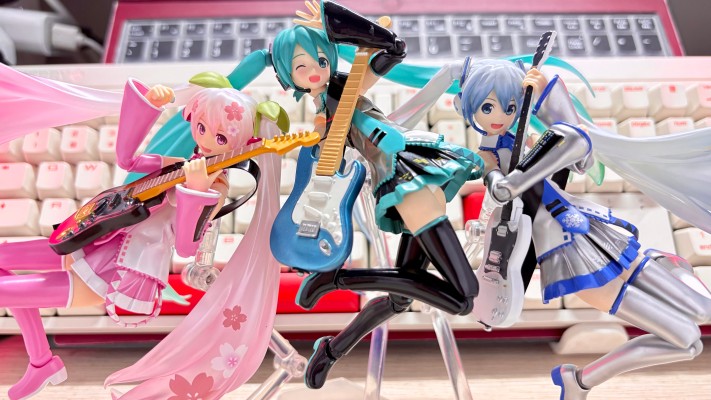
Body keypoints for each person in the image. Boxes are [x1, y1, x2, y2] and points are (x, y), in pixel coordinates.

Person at [421, 56, 711, 399]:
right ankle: (580, 381)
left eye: (510, 106)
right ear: (463, 107)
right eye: (487, 107)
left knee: (702, 312)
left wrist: (546, 95)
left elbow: (582, 156)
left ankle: (667, 264)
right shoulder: (488, 158)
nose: (499, 116)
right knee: (687, 341)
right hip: (567, 254)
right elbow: (501, 189)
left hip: (590, 229)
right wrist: (519, 175)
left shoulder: (530, 141)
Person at [0, 64, 286, 399]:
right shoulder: (178, 166)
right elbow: (127, 159)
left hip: (115, 270)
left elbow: (186, 247)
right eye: (202, 127)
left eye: (221, 138)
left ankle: (41, 363)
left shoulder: (215, 187)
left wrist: (195, 192)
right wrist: (148, 107)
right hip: (93, 239)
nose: (208, 140)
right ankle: (41, 362)